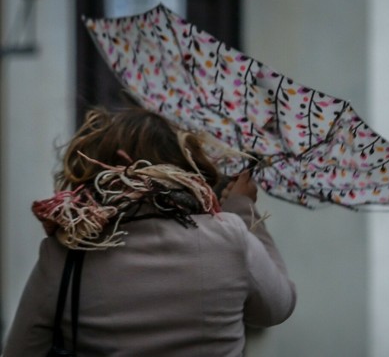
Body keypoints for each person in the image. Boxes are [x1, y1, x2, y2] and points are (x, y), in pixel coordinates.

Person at [2, 108, 296, 356]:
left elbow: (21, 350)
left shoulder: (65, 255)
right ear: (184, 168)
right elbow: (277, 308)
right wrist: (243, 209)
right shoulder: (230, 236)